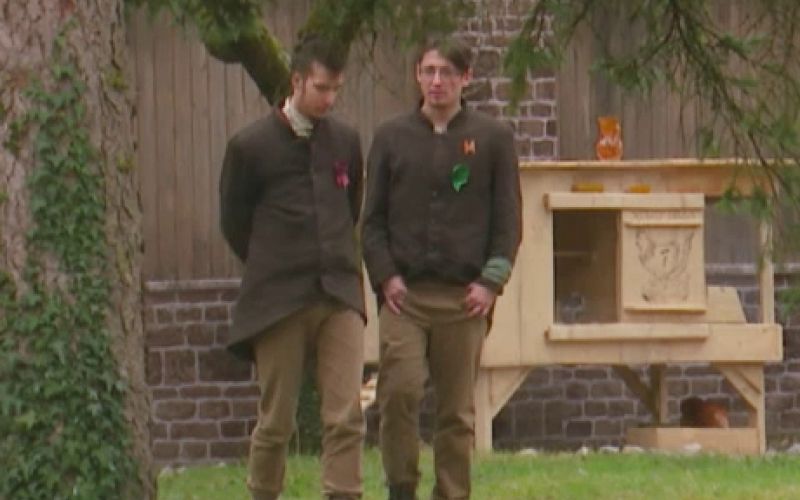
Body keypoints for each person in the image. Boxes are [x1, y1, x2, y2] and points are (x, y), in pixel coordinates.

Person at [362, 35, 522, 500]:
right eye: (429, 71)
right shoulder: (391, 137)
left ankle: (452, 491)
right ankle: (401, 487)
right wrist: (386, 276)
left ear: (465, 78)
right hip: (405, 297)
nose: (437, 81)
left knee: (456, 410)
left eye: (447, 73)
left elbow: (508, 222)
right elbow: (371, 221)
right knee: (399, 393)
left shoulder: (493, 139)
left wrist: (490, 283)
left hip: (463, 299)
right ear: (417, 75)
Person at [219, 35, 366, 500]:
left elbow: (351, 206)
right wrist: (273, 260)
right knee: (277, 419)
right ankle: (264, 491)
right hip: (278, 299)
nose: (330, 99)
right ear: (297, 81)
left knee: (346, 414)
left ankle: (343, 492)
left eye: (336, 89)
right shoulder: (250, 147)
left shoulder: (346, 141)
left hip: (339, 292)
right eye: (321, 88)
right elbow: (234, 223)